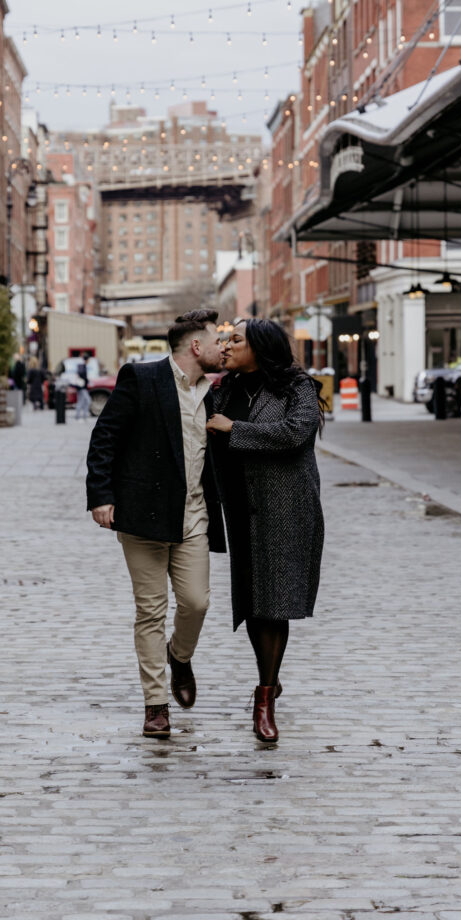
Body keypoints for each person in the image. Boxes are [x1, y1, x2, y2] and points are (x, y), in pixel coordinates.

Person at [86, 310, 225, 739]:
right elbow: (105, 435)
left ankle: (179, 657)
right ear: (196, 347)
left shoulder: (217, 393)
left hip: (194, 518)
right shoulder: (141, 378)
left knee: (196, 603)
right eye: (217, 341)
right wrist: (102, 495)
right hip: (143, 515)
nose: (224, 348)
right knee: (150, 611)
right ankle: (156, 705)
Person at [206, 318, 324, 744]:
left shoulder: (298, 388)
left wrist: (234, 428)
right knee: (255, 603)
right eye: (225, 340)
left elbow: (294, 434)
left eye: (236, 340)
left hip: (285, 506)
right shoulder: (221, 389)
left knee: (274, 603)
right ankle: (267, 684)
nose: (228, 345)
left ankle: (264, 697)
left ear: (260, 346)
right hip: (240, 507)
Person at [74, 353, 91, 421]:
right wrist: (87, 380)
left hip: (81, 387)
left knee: (82, 401)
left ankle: (81, 415)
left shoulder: (81, 365)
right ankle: (82, 415)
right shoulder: (82, 366)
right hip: (82, 387)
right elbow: (81, 375)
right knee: (86, 400)